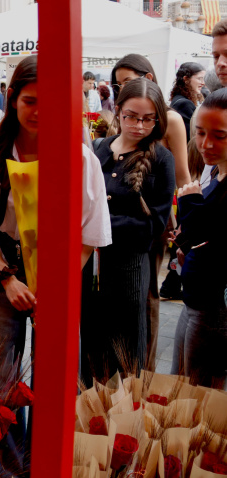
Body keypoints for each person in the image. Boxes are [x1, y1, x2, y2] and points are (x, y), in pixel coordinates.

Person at [0, 56, 112, 367]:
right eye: (30, 101)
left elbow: (91, 232)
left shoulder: (78, 158)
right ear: (12, 98)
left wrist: (56, 286)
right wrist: (7, 280)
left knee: (55, 376)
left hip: (59, 278)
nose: (39, 111)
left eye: (50, 101)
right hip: (3, 275)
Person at [81, 78, 175, 382]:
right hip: (92, 268)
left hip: (130, 270)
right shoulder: (98, 149)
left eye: (148, 119)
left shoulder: (161, 159)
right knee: (92, 355)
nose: (139, 125)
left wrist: (101, 225)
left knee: (125, 360)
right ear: (118, 111)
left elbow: (154, 225)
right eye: (131, 116)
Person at [111, 53, 193, 370]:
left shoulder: (169, 119)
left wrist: (185, 221)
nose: (123, 87)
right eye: (119, 84)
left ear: (148, 77)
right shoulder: (124, 120)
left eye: (129, 81)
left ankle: (142, 364)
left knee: (146, 295)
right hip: (121, 217)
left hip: (152, 217)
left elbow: (183, 175)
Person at [171, 89, 227, 388]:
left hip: (214, 308)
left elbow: (208, 238)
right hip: (195, 300)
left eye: (220, 135)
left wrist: (192, 207)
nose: (206, 144)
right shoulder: (216, 173)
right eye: (201, 132)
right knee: (181, 389)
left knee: (198, 400)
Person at [170, 62, 206, 142]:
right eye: (199, 79)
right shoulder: (184, 104)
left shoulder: (179, 98)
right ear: (186, 79)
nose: (203, 83)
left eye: (203, 79)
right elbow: (189, 138)